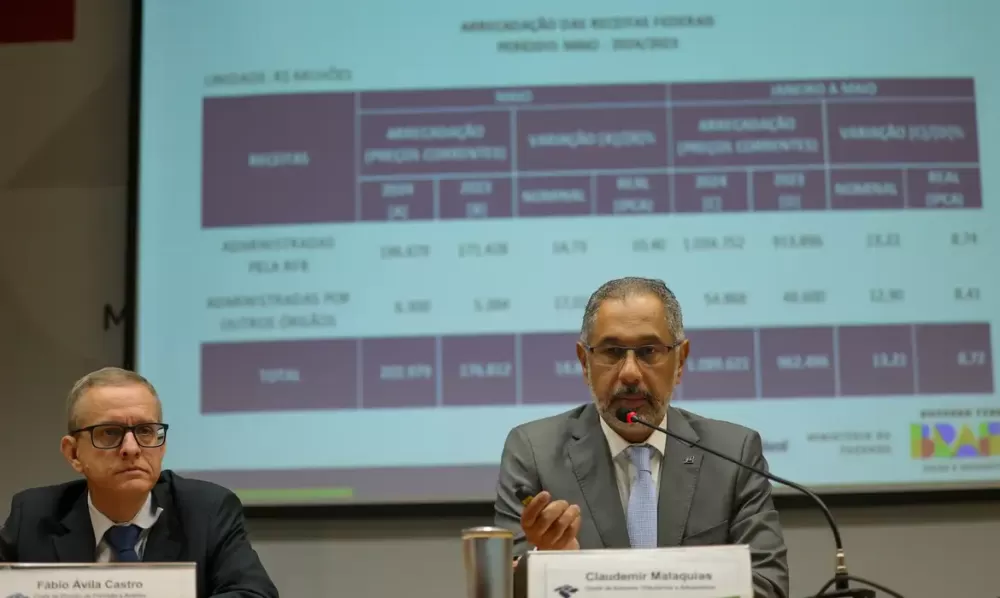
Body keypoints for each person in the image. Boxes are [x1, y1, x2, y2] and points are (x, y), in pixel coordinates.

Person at [494, 277, 789, 598]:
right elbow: (504, 587)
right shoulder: (533, 453)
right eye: (612, 352)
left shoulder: (734, 454)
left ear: (680, 360)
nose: (630, 373)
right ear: (584, 362)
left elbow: (768, 585)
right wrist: (551, 563)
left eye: (649, 351)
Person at [0, 367, 279, 598]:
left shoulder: (206, 510)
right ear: (73, 453)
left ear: (162, 445)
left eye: (145, 431)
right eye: (110, 432)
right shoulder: (34, 516)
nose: (132, 448)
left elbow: (254, 593)